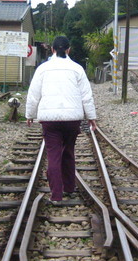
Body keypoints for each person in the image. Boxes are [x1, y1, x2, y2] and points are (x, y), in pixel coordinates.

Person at [25, 36, 97, 203]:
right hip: (72, 120)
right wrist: (91, 117)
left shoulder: (43, 69)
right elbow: (86, 96)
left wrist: (30, 115)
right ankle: (70, 188)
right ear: (68, 50)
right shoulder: (77, 69)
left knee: (54, 156)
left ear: (52, 50)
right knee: (69, 153)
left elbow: (33, 95)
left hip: (50, 121)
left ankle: (56, 195)